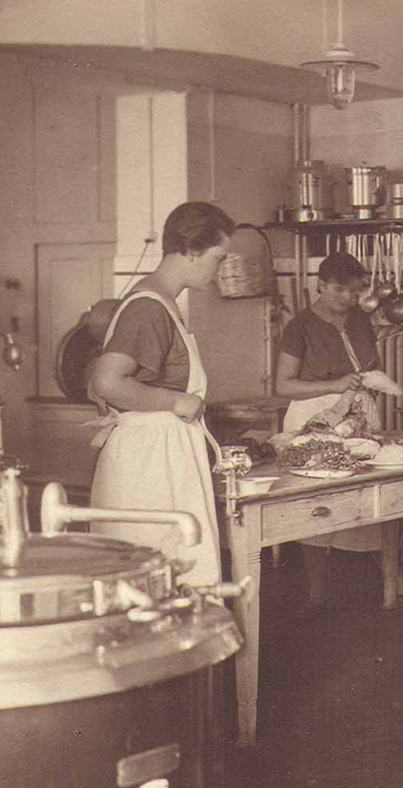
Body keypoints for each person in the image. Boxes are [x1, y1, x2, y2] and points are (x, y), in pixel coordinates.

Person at [276, 251, 403, 611]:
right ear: (320, 285)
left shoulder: (359, 320)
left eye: (355, 291)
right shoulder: (300, 326)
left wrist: (371, 388)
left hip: (358, 416)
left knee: (375, 499)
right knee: (316, 509)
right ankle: (316, 592)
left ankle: (395, 583)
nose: (348, 298)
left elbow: (371, 366)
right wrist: (336, 384)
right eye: (340, 290)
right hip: (313, 419)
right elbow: (284, 386)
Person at [89, 201, 235, 588]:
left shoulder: (162, 303)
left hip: (162, 453)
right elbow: (106, 382)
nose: (219, 269)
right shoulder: (148, 307)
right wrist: (175, 401)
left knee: (173, 570)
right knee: (154, 573)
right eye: (218, 258)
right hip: (148, 462)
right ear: (191, 250)